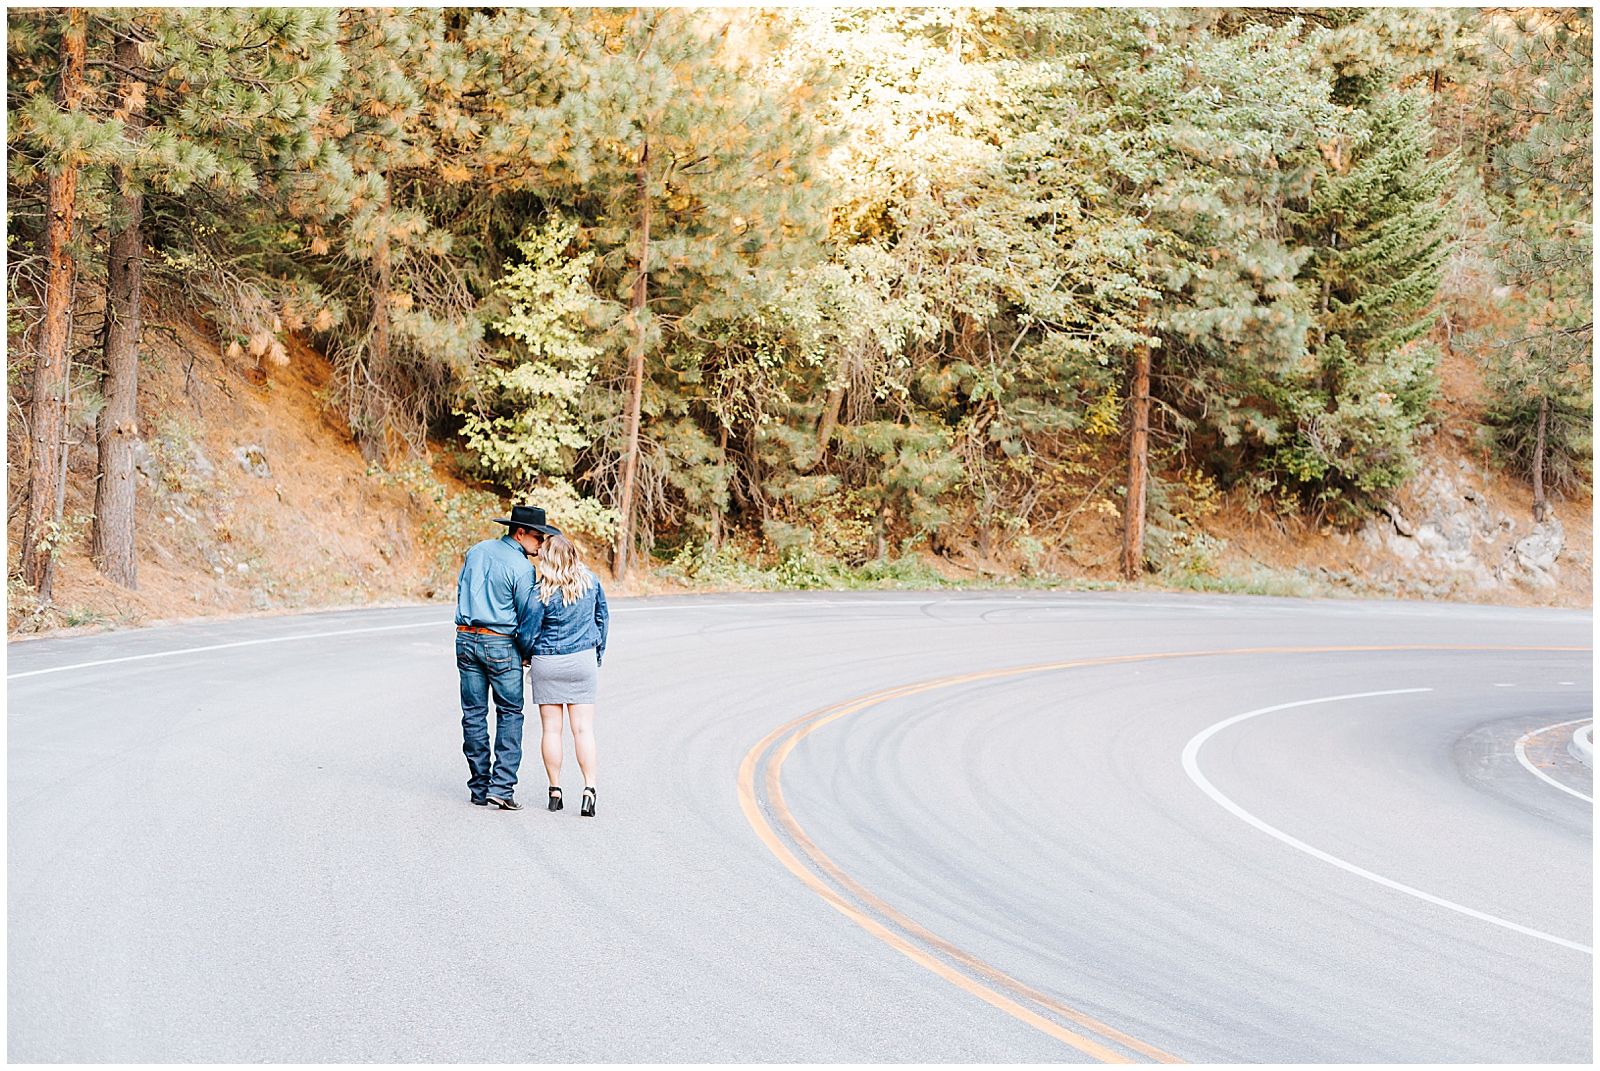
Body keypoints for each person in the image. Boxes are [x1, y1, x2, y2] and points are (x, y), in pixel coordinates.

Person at [455, 504, 560, 810]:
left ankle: (478, 787)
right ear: (520, 532)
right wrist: (526, 653)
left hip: (464, 637)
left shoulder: (476, 551)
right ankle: (501, 787)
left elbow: (462, 587)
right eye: (538, 537)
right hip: (500, 643)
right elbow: (527, 618)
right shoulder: (523, 568)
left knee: (473, 714)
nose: (541, 544)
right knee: (510, 714)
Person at [527, 533, 609, 817]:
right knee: (583, 730)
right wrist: (596, 655)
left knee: (552, 730)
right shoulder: (591, 582)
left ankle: (555, 790)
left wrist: (528, 655)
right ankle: (589, 789)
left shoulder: (540, 592)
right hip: (582, 661)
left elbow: (529, 631)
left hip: (547, 663)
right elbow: (602, 619)